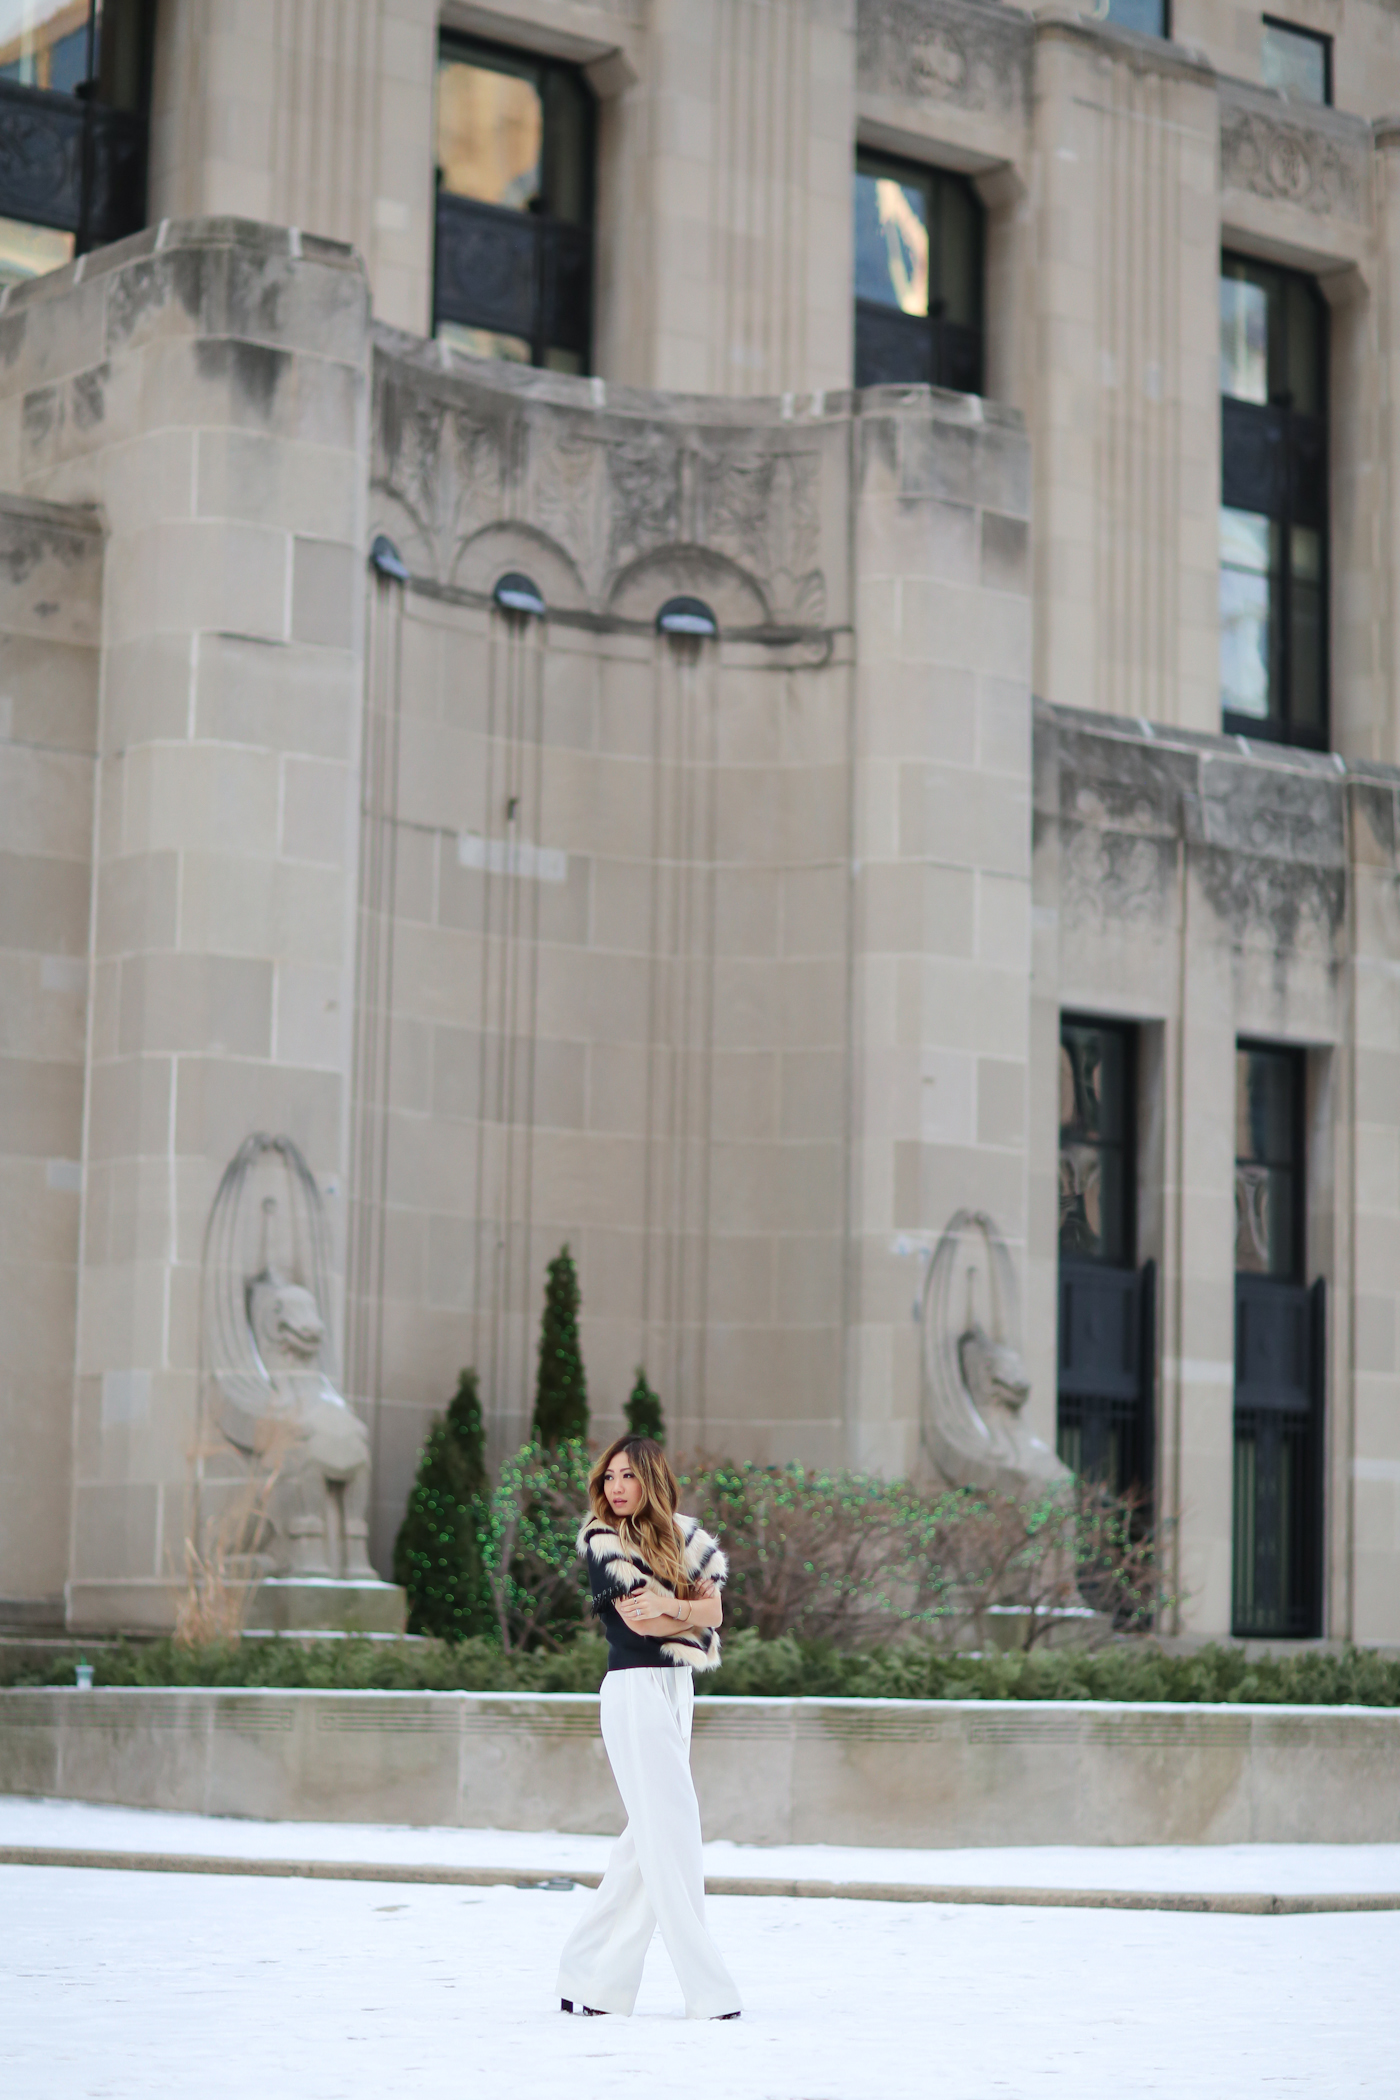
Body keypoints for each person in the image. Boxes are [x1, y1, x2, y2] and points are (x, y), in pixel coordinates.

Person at [556, 1434, 742, 2021]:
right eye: (608, 1476)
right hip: (634, 1689)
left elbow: (711, 1616)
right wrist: (686, 1607)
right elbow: (638, 1625)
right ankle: (709, 1990)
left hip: (676, 1689)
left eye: (627, 1476)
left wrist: (678, 1608)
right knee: (674, 1830)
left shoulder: (689, 1537)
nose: (615, 1487)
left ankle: (589, 1979)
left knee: (648, 1840)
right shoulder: (600, 1540)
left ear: (652, 1481)